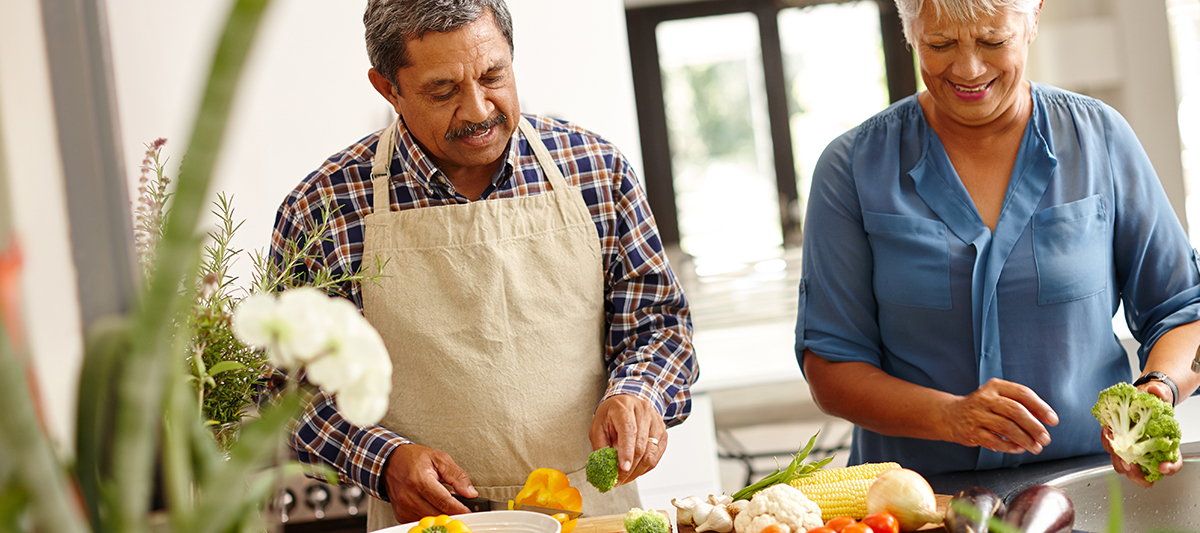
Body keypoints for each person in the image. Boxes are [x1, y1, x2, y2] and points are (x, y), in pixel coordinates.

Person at [270, 1, 697, 529]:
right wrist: (384, 463)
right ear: (388, 88)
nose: (477, 110)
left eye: (494, 75)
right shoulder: (324, 208)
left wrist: (639, 392)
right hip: (432, 520)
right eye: (443, 91)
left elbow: (658, 324)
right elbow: (289, 388)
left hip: (591, 512)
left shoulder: (596, 169)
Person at [796, 0, 1200, 488]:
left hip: (1087, 486)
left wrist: (1157, 393)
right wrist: (952, 417)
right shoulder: (851, 168)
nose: (968, 69)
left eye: (993, 41)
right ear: (910, 33)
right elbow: (833, 368)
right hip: (916, 498)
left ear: (1033, 20)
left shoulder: (1100, 138)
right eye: (940, 44)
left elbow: (1183, 311)